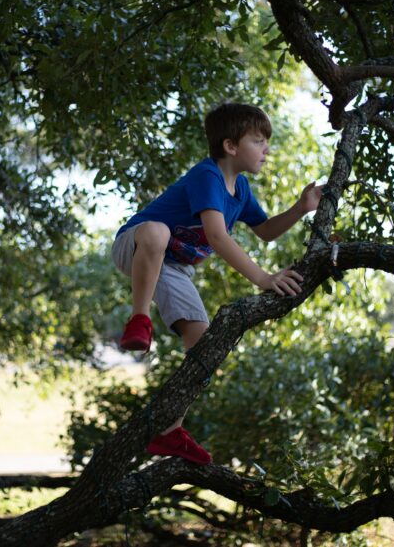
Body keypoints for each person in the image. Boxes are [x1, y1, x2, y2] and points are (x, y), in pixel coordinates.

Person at [111, 102, 322, 465]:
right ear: (230, 146)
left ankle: (169, 430)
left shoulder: (240, 190)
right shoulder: (207, 176)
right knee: (157, 230)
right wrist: (264, 278)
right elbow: (218, 237)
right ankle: (139, 319)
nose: (266, 149)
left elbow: (266, 231)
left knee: (203, 340)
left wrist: (301, 209)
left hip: (173, 267)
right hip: (137, 246)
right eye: (258, 141)